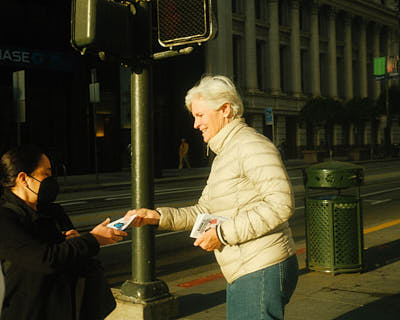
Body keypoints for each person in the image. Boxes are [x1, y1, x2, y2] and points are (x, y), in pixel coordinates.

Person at [125, 75, 299, 320]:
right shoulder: (227, 152)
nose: (196, 124)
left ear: (225, 109)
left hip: (261, 266)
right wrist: (158, 217)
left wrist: (221, 234)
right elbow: (203, 211)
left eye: (200, 115)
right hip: (248, 267)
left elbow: (280, 205)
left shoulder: (251, 145)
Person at [0, 145, 127, 320]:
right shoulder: (5, 218)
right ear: (24, 178)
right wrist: (93, 239)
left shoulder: (54, 211)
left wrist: (76, 241)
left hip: (69, 310)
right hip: (28, 312)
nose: (51, 180)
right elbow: (45, 259)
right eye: (46, 173)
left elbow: (69, 255)